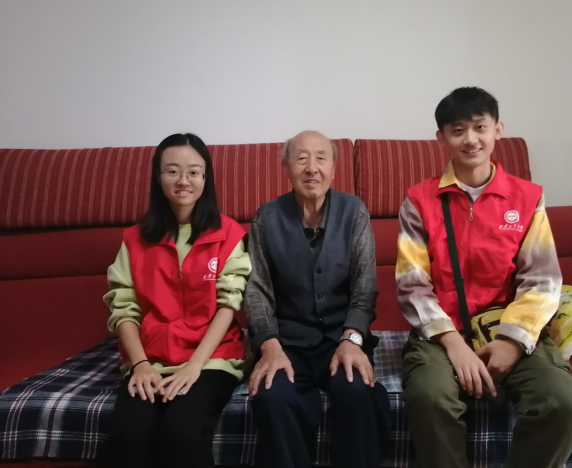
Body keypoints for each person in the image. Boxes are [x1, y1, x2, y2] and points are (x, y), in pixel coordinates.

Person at [396, 88, 572, 468]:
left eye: (480, 127)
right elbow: (411, 284)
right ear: (442, 137)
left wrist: (512, 342)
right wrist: (454, 344)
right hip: (441, 333)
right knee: (430, 399)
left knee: (562, 405)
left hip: (510, 326)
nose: (470, 139)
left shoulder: (527, 198)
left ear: (497, 130)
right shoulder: (418, 200)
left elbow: (542, 281)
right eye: (458, 130)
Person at [103, 133, 251, 468]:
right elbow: (123, 308)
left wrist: (195, 366)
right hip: (151, 357)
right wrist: (140, 364)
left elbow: (229, 304)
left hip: (211, 358)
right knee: (129, 434)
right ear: (158, 177)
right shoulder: (135, 238)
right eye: (172, 171)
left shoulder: (228, 234)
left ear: (205, 178)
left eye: (193, 172)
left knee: (182, 431)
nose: (183, 180)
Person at [244, 131, 391, 468]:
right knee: (271, 397)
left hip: (342, 337)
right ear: (286, 168)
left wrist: (352, 340)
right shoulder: (267, 217)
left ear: (334, 168)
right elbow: (256, 290)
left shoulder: (354, 212)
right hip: (286, 342)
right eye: (301, 158)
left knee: (356, 392)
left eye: (321, 158)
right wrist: (269, 345)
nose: (312, 167)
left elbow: (365, 287)